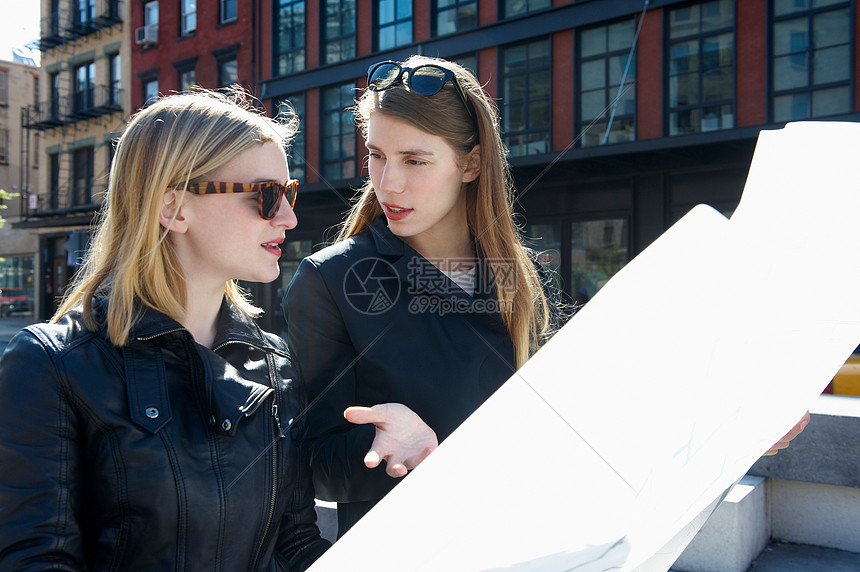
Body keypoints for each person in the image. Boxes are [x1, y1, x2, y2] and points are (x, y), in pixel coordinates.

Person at [0, 89, 330, 570]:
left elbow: (296, 546)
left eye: (289, 192)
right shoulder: (50, 366)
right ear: (174, 208)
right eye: (266, 195)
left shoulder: (274, 364)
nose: (289, 217)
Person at [283, 55, 561, 537]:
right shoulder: (329, 280)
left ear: (470, 163)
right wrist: (387, 446)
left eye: (415, 160)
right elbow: (309, 460)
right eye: (377, 155)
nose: (388, 181)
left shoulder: (522, 275)